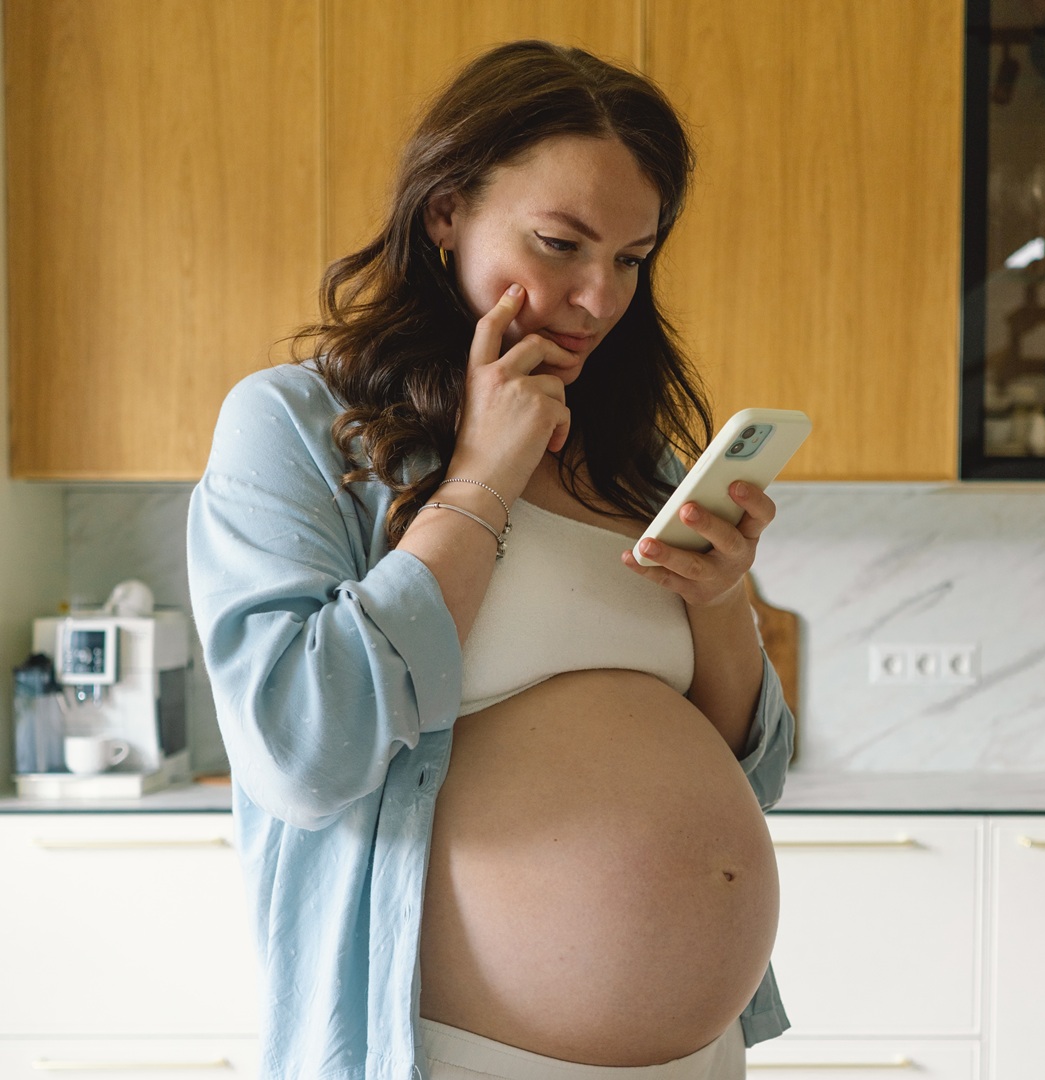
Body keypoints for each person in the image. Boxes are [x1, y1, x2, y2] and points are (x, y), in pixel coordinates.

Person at [187, 39, 794, 1080]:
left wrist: (721, 599)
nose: (598, 297)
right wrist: (478, 480)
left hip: (702, 1056)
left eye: (632, 258)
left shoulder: (635, 456)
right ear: (446, 211)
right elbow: (298, 752)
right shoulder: (298, 426)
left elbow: (758, 776)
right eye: (560, 244)